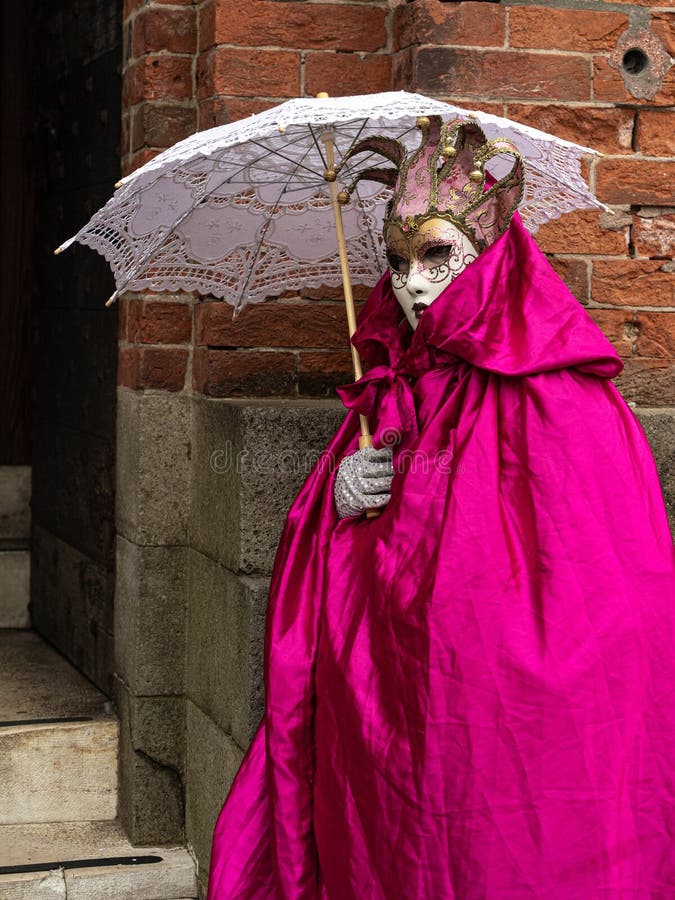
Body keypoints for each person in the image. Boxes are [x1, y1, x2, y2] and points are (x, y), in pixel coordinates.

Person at [208, 117, 675, 899]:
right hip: (395, 691)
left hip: (507, 711)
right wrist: (339, 494)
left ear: (491, 258)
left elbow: (608, 590)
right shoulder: (398, 382)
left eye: (435, 257)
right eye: (395, 263)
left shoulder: (564, 397)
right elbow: (370, 538)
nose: (411, 286)